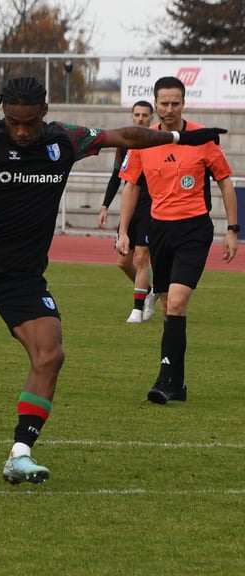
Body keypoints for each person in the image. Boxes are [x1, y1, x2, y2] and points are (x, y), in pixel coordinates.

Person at [0, 76, 225, 484]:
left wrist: (177, 136)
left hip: (23, 278)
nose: (20, 131)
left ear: (44, 115)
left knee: (50, 354)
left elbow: (121, 135)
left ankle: (20, 453)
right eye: (14, 122)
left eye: (29, 123)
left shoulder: (64, 141)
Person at [117, 76, 237, 405]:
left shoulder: (201, 138)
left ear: (184, 103)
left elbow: (226, 181)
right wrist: (123, 230)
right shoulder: (145, 140)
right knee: (170, 310)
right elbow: (131, 186)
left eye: (175, 103)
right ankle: (179, 383)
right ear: (155, 104)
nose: (169, 109)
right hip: (159, 230)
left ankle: (163, 380)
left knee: (177, 302)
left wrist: (232, 229)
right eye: (164, 103)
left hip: (193, 230)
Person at [99, 100, 159, 323]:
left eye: (145, 115)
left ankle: (137, 309)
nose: (141, 118)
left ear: (151, 117)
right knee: (123, 262)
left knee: (143, 257)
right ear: (132, 117)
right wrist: (105, 205)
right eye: (137, 115)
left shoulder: (157, 141)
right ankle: (149, 291)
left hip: (152, 206)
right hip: (131, 206)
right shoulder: (125, 143)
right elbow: (117, 176)